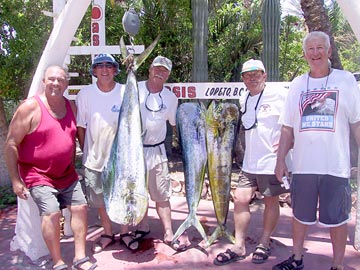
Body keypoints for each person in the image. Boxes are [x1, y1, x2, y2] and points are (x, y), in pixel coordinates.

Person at [272, 31, 360, 270]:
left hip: (336, 166)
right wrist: (280, 161)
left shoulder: (345, 81)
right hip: (303, 166)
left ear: (329, 51)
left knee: (338, 220)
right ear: (304, 55)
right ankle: (297, 258)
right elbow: (287, 128)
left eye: (320, 48)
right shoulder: (298, 85)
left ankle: (338, 265)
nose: (315, 53)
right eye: (310, 49)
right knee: (299, 217)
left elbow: (357, 123)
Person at [5, 65, 97, 270]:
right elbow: (11, 144)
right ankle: (58, 261)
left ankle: (80, 258)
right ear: (44, 82)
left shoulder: (71, 107)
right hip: (37, 174)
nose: (56, 83)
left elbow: (75, 140)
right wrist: (15, 180)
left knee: (81, 207)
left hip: (66, 173)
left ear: (67, 84)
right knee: (52, 212)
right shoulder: (29, 108)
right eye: (52, 79)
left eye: (61, 80)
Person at [213, 59, 290, 266]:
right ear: (243, 79)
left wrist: (289, 146)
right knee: (240, 198)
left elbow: (294, 121)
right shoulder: (243, 98)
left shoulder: (281, 94)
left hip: (272, 162)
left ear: (264, 75)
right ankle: (239, 245)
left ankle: (264, 242)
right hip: (249, 162)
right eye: (248, 75)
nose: (253, 77)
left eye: (257, 74)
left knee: (270, 201)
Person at [76, 53, 137, 252]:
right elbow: (81, 127)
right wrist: (88, 152)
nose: (104, 70)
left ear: (115, 70)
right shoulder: (84, 94)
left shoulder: (126, 91)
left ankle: (126, 231)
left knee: (124, 194)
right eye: (99, 66)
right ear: (94, 71)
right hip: (95, 159)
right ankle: (108, 232)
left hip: (124, 160)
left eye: (109, 66)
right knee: (100, 199)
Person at [131, 55, 187, 251]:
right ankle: (142, 227)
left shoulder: (171, 98)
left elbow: (174, 123)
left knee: (162, 194)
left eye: (164, 70)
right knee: (138, 193)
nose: (160, 72)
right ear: (149, 69)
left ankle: (169, 232)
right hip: (134, 152)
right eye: (157, 68)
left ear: (168, 75)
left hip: (157, 151)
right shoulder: (133, 88)